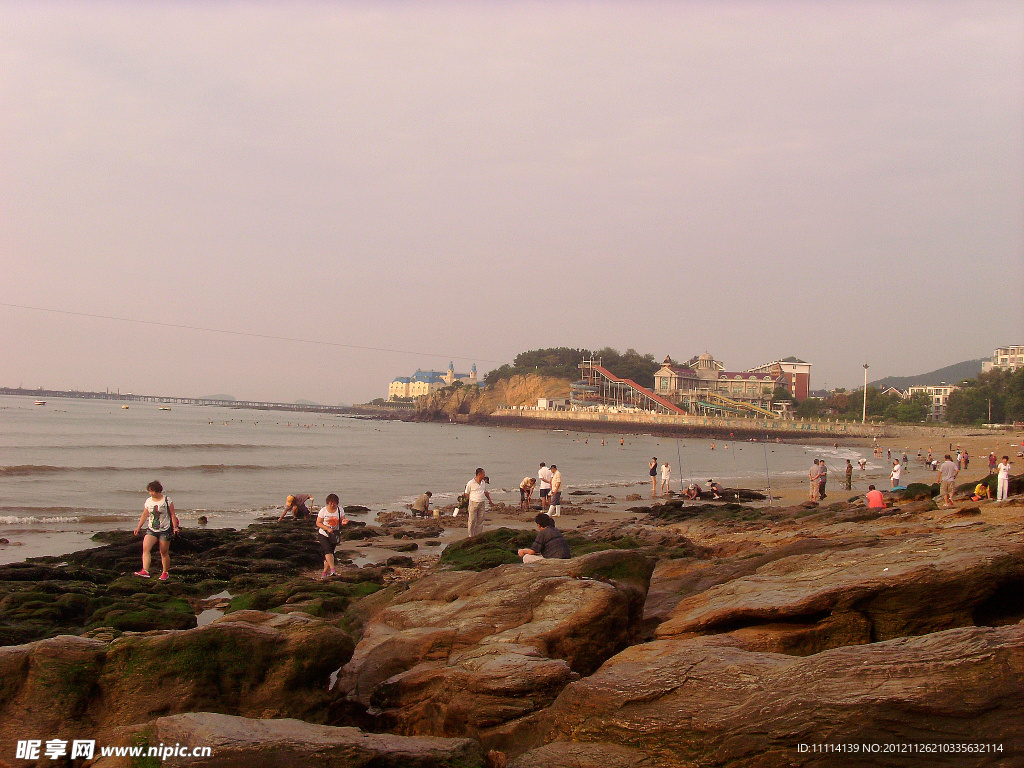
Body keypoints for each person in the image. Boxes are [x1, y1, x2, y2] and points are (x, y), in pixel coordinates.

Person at [133, 480, 181, 580]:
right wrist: (138, 527)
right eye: (149, 491)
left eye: (153, 491)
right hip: (152, 529)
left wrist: (175, 527)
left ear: (158, 490)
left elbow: (172, 514)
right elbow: (145, 514)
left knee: (163, 552)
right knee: (146, 548)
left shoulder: (167, 500)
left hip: (165, 529)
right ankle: (145, 570)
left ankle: (165, 572)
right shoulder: (148, 501)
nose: (151, 493)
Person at [315, 493, 348, 579]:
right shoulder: (323, 511)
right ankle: (333, 570)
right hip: (323, 533)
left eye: (334, 503)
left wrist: (344, 522)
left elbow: (342, 520)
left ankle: (325, 573)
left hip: (334, 534)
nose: (333, 504)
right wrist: (326, 528)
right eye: (331, 502)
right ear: (328, 502)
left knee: (329, 554)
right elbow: (318, 523)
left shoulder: (340, 510)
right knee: (328, 551)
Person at [465, 467, 493, 537]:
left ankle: (478, 535)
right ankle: (471, 535)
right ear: (479, 474)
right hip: (473, 503)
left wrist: (489, 500)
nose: (484, 475)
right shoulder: (471, 483)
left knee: (480, 520)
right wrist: (471, 499)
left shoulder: (483, 482)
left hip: (482, 503)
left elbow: (485, 492)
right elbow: (466, 493)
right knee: (472, 520)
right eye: (483, 474)